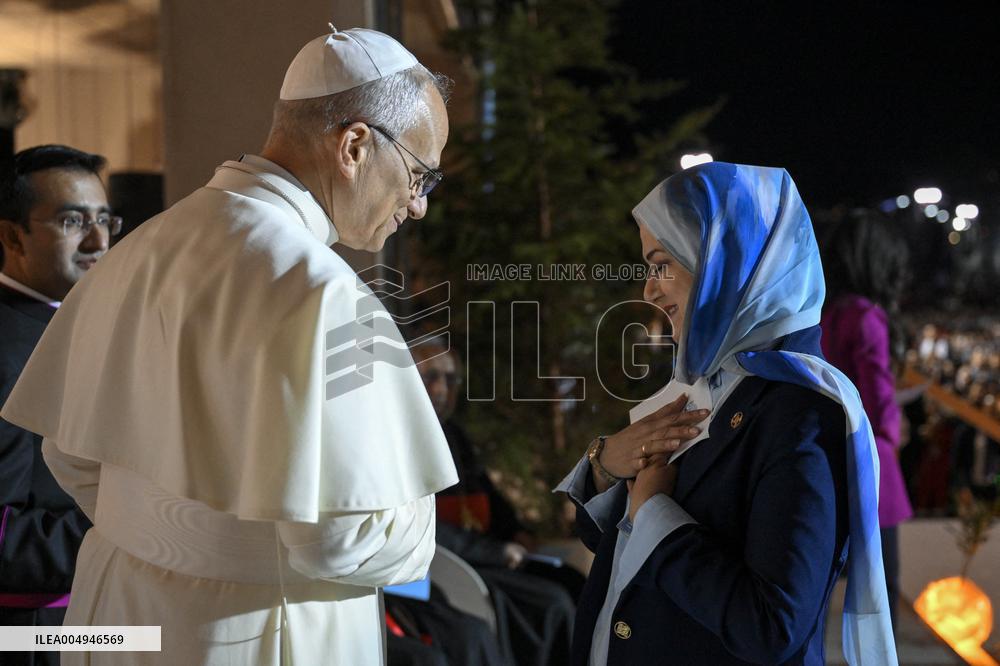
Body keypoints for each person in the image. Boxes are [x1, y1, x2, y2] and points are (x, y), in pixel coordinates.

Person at [1, 27, 458, 665]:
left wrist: (159, 534)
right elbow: (343, 540)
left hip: (116, 608)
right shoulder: (325, 291)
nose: (418, 205)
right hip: (252, 631)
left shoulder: (140, 248)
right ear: (354, 145)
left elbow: (69, 455)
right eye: (420, 175)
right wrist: (416, 522)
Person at [557, 162, 896, 665]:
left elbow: (772, 626)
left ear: (726, 261)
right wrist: (605, 464)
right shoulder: (701, 385)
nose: (649, 290)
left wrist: (655, 517)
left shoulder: (800, 412)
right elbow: (610, 539)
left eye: (661, 263)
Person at [0, 144, 115, 666]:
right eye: (73, 221)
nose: (98, 241)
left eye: (104, 219)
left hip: (96, 609)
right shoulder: (8, 347)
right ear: (12, 235)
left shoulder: (85, 320)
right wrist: (134, 523)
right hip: (31, 632)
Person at [413, 341, 579, 666]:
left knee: (572, 581)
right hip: (449, 563)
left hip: (484, 553)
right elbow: (422, 527)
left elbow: (486, 493)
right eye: (431, 376)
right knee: (551, 605)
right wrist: (498, 552)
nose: (442, 388)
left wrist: (515, 531)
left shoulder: (454, 435)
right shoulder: (401, 438)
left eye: (450, 379)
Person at [819, 208, 914, 630]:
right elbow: (877, 399)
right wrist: (895, 430)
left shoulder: (820, 311)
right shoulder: (865, 316)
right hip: (869, 464)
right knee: (880, 592)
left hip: (822, 456)